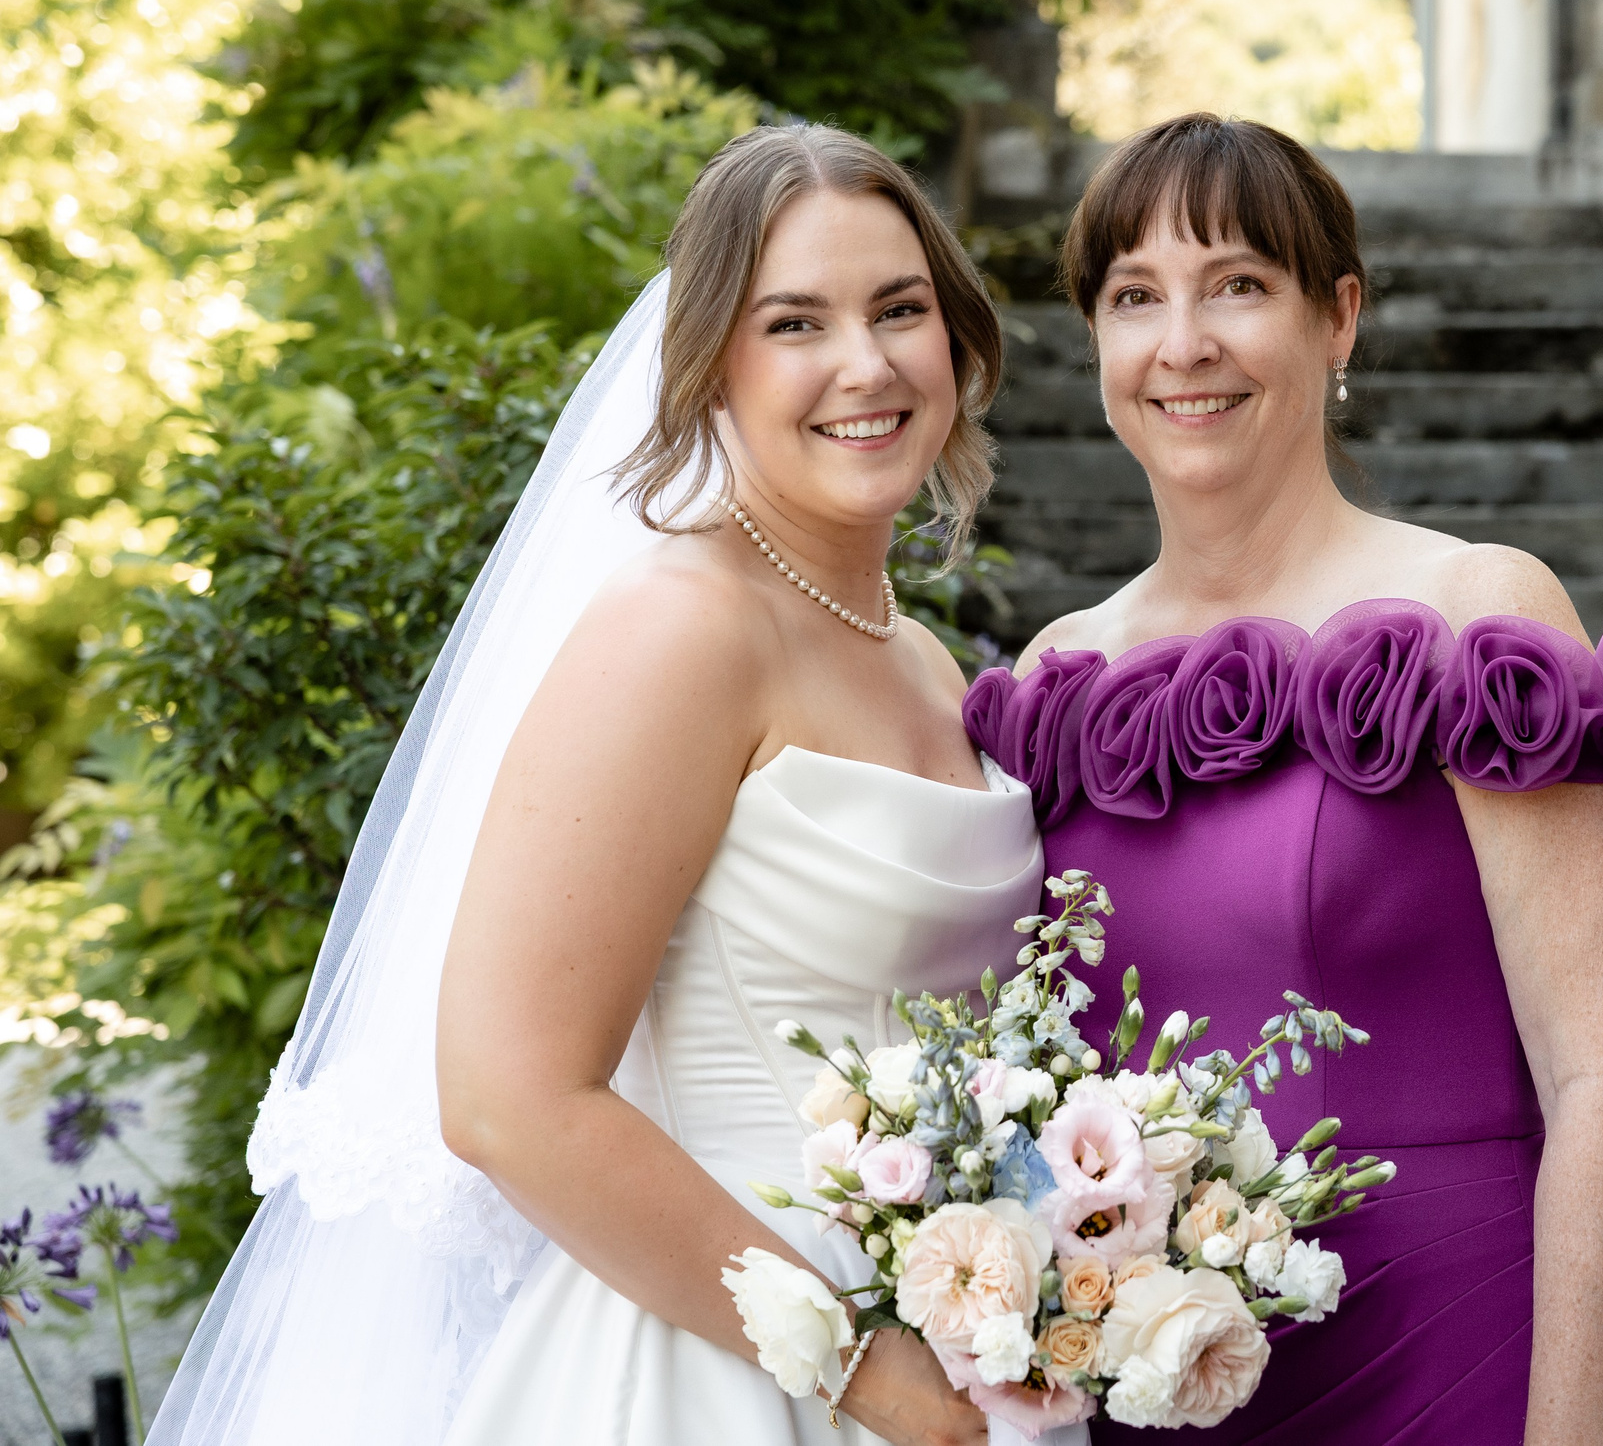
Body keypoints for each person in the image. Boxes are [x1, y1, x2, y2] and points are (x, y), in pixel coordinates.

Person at [152, 125, 1078, 1446]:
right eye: (795, 323)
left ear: (957, 339)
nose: (865, 365)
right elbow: (504, 1098)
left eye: (901, 310)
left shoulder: (921, 660)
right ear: (708, 364)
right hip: (734, 1373)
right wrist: (859, 1369)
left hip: (969, 1358)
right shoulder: (681, 628)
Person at [963, 114, 1603, 1445]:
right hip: (1158, 1381)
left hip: (1447, 1354)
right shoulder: (1062, 669)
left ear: (1338, 317)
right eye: (1136, 297)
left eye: (1237, 284)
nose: (1183, 342)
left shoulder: (1479, 610)